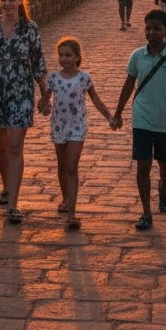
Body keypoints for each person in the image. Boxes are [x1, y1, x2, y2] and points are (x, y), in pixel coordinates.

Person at [0, 0, 48, 225]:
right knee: (0, 144)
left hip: (21, 90)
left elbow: (38, 62)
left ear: (20, 0)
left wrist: (45, 93)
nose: (7, 3)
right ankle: (6, 186)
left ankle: (14, 205)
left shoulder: (30, 28)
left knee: (15, 145)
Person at [111, 9, 166, 231]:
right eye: (148, 28)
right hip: (142, 116)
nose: (151, 33)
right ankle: (146, 212)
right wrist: (118, 112)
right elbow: (129, 84)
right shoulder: (137, 56)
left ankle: (164, 186)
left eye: (156, 29)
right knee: (142, 164)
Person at [42, 37, 115, 231]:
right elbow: (45, 102)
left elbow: (96, 100)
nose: (64, 59)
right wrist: (43, 106)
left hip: (77, 126)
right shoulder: (53, 79)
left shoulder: (84, 78)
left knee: (72, 166)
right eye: (61, 55)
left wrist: (109, 116)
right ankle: (66, 199)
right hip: (58, 125)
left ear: (77, 57)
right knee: (62, 165)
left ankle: (72, 213)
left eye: (68, 55)